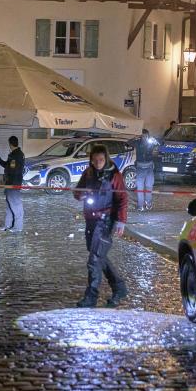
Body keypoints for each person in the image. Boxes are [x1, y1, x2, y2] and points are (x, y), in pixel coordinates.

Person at [73, 144, 128, 308]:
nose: (98, 163)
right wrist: (82, 194)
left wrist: (121, 221)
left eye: (101, 160)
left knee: (94, 259)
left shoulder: (114, 175)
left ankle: (91, 296)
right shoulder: (88, 173)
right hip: (90, 219)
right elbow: (77, 192)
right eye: (95, 160)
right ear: (91, 160)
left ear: (106, 159)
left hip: (105, 221)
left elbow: (123, 199)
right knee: (98, 256)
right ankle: (119, 287)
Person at [0, 136, 25, 232]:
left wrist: (6, 180)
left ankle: (18, 227)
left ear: (10, 144)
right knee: (9, 205)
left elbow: (13, 169)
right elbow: (7, 165)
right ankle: (8, 225)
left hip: (13, 184)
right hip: (10, 183)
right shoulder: (15, 154)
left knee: (16, 205)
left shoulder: (16, 155)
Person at [129, 128, 157, 211]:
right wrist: (136, 137)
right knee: (140, 188)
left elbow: (161, 143)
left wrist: (154, 139)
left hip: (149, 168)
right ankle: (140, 205)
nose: (144, 137)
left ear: (148, 135)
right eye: (143, 136)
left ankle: (148, 204)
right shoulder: (137, 142)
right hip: (140, 168)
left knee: (149, 186)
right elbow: (129, 142)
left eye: (146, 136)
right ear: (141, 136)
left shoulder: (151, 142)